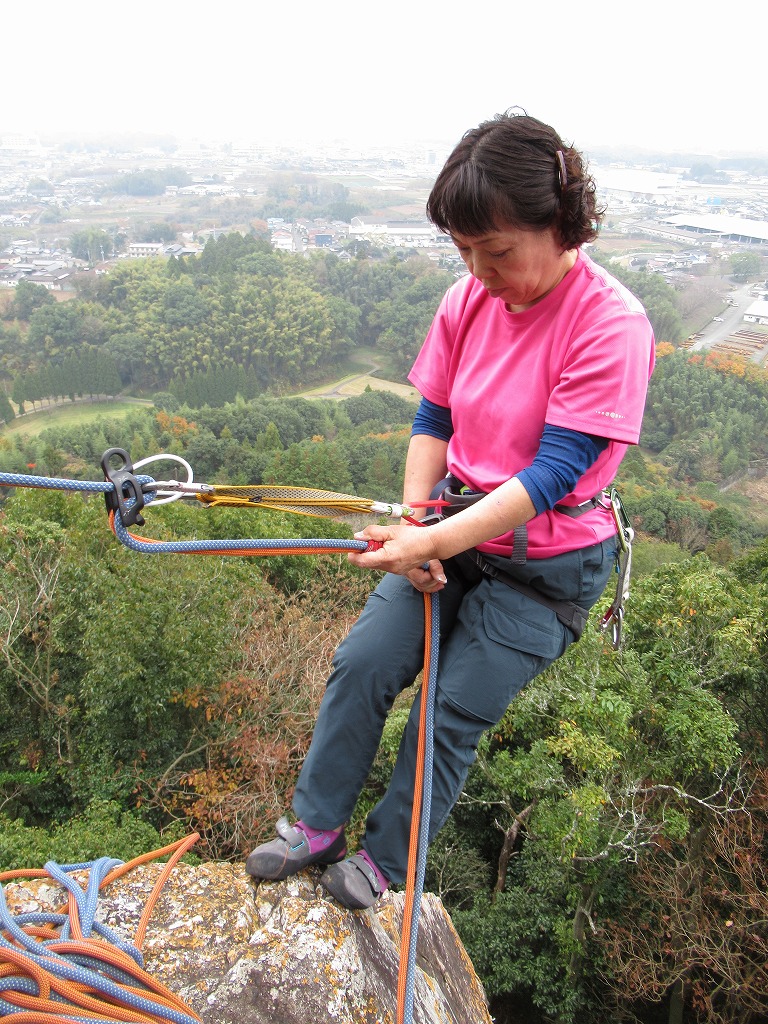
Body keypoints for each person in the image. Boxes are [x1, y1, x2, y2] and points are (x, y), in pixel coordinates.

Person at [246, 110, 656, 909]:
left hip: (547, 564)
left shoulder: (611, 324)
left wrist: (426, 536)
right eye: (464, 251)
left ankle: (384, 860)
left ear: (560, 224)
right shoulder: (466, 300)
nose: (478, 271)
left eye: (496, 251)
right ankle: (316, 824)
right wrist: (413, 526)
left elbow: (551, 476)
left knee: (449, 710)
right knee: (364, 662)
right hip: (454, 521)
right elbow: (433, 418)